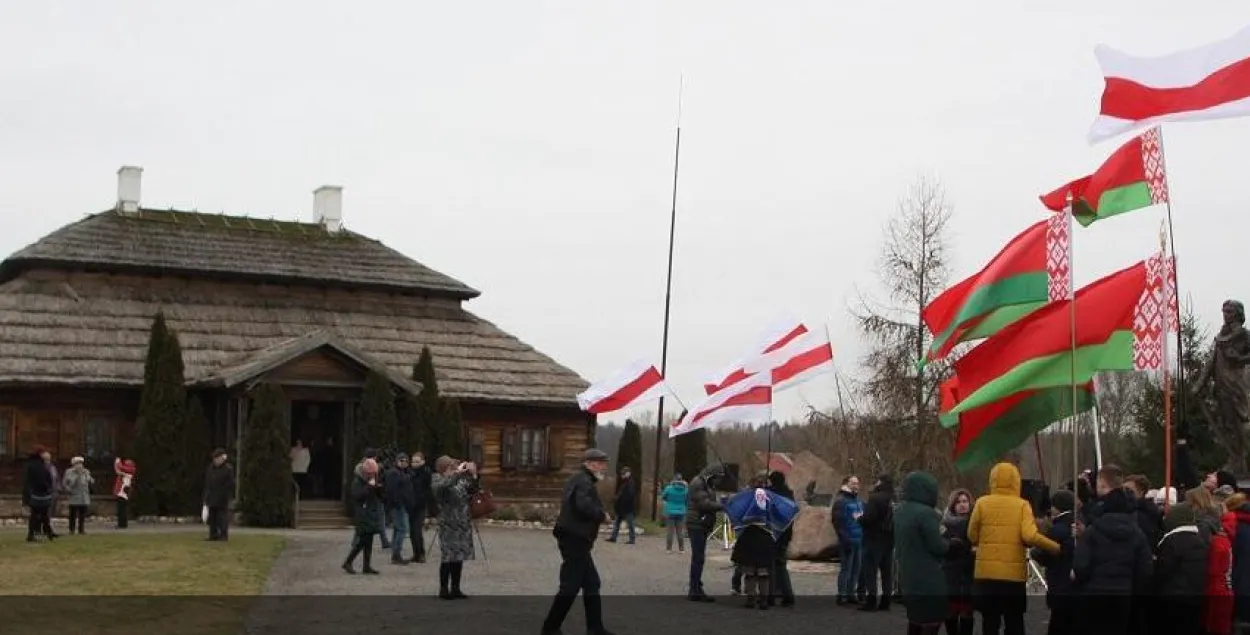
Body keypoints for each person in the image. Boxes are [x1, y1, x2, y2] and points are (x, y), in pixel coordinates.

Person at [967, 462, 1059, 635]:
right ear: (1016, 481)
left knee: (990, 622)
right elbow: (1029, 536)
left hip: (986, 574)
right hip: (1012, 576)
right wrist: (1055, 547)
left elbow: (972, 535)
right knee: (1014, 620)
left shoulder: (981, 503)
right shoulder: (1022, 505)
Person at [1072, 464, 1154, 635]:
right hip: (1123, 594)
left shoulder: (1093, 531)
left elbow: (1081, 566)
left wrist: (1080, 581)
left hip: (1095, 592)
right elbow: (1145, 569)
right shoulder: (1137, 532)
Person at [541, 448, 615, 635]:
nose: (604, 467)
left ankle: (595, 628)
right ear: (589, 463)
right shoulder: (583, 481)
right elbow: (582, 505)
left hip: (576, 538)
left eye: (604, 463)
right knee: (570, 585)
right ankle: (550, 628)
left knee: (591, 583)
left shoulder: (580, 479)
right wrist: (601, 515)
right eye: (600, 463)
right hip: (575, 538)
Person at [894, 471, 957, 635]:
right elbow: (937, 546)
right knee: (931, 622)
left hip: (908, 575)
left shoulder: (900, 511)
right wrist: (952, 545)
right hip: (928, 577)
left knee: (915, 621)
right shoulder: (926, 513)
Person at [1153, 502, 1209, 635]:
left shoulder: (1173, 541)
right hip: (1195, 596)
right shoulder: (1199, 540)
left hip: (1174, 598)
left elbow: (1163, 570)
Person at [432, 455, 478, 599]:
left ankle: (456, 588)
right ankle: (443, 588)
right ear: (442, 468)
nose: (452, 470)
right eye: (450, 467)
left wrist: (473, 474)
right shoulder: (437, 480)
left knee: (459, 557)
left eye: (453, 467)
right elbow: (444, 486)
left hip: (462, 524)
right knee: (448, 557)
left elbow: (471, 489)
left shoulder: (458, 480)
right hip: (448, 525)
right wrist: (457, 474)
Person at [1031, 490, 1076, 635]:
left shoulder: (1056, 530)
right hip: (1074, 584)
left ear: (1057, 507)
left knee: (1058, 624)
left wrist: (1035, 552)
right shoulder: (1076, 526)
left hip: (1059, 582)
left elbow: (1045, 555)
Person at [731, 472, 777, 610]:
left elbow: (737, 512)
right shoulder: (771, 498)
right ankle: (763, 600)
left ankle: (750, 598)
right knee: (763, 573)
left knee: (750, 572)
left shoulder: (746, 498)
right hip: (765, 537)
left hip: (749, 537)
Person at [685, 462, 727, 602]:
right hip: (697, 523)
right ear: (712, 475)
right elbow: (704, 504)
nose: (719, 482)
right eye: (718, 478)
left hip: (700, 522)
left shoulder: (705, 484)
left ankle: (696, 587)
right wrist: (723, 506)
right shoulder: (698, 483)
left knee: (699, 558)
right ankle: (694, 589)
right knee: (698, 558)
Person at [859, 473, 896, 612]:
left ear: (880, 482)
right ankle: (886, 600)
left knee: (871, 570)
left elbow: (869, 518)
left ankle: (871, 600)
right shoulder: (895, 498)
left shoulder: (875, 498)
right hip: (890, 539)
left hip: (874, 538)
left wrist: (859, 519)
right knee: (887, 571)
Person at [942, 489, 976, 635]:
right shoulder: (945, 525)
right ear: (953, 505)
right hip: (950, 573)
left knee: (967, 612)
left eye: (965, 501)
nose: (962, 505)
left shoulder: (975, 524)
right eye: (958, 502)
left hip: (969, 573)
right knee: (951, 612)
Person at [342, 457, 384, 575]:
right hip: (362, 513)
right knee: (363, 540)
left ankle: (366, 565)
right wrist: (369, 487)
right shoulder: (357, 480)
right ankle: (348, 562)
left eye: (374, 473)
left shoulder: (372, 477)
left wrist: (378, 488)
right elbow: (357, 496)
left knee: (368, 540)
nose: (372, 475)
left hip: (371, 511)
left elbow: (378, 496)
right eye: (370, 473)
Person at [832, 474, 865, 606]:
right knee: (846, 569)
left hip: (859, 539)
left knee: (856, 569)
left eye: (857, 483)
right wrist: (844, 539)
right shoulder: (841, 501)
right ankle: (842, 595)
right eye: (853, 483)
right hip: (848, 539)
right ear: (846, 484)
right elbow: (837, 522)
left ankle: (851, 593)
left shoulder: (858, 500)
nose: (856, 485)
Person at [767, 470, 796, 607]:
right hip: (786, 533)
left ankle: (770, 595)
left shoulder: (770, 494)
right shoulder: (789, 495)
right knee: (781, 566)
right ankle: (788, 595)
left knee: (770, 565)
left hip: (773, 533)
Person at [384, 453, 416, 565]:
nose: (404, 463)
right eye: (402, 461)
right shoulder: (394, 473)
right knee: (402, 529)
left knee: (398, 529)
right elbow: (392, 491)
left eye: (406, 461)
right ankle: (396, 554)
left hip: (401, 504)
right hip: (398, 505)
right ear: (397, 461)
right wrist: (397, 503)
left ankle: (395, 553)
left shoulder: (402, 473)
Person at [22, 446, 55, 542]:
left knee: (35, 515)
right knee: (42, 515)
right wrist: (47, 488)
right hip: (40, 494)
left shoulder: (30, 464)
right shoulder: (39, 465)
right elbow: (44, 480)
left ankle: (35, 534)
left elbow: (27, 481)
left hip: (34, 493)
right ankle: (46, 533)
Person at [203, 448, 235, 541]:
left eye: (217, 458)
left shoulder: (228, 469)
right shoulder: (210, 468)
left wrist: (225, 494)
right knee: (212, 518)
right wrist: (206, 497)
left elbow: (230, 484)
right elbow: (208, 484)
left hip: (222, 498)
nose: (216, 461)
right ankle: (213, 534)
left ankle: (223, 535)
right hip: (211, 496)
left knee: (222, 517)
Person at [1125, 474, 1164, 547]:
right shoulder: (1127, 509)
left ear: (1141, 492)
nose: (1125, 493)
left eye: (1129, 490)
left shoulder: (1146, 513)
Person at [408, 451, 433, 563]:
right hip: (411, 505)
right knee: (412, 532)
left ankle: (421, 553)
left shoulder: (426, 473)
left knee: (417, 530)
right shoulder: (409, 473)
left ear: (422, 462)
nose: (415, 463)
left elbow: (429, 491)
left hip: (421, 505)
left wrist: (429, 511)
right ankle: (416, 553)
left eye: (417, 461)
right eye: (413, 461)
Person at [62, 456, 93, 535]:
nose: (80, 465)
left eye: (81, 463)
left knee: (82, 515)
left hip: (83, 496)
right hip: (74, 496)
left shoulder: (86, 471)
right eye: (77, 463)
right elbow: (65, 484)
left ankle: (81, 529)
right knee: (72, 514)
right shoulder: (69, 472)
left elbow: (91, 481)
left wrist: (88, 478)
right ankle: (71, 530)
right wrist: (69, 489)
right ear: (74, 464)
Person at [607, 466, 637, 544]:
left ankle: (631, 539)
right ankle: (614, 537)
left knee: (629, 524)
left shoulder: (630, 483)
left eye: (624, 473)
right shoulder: (626, 482)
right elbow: (622, 494)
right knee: (618, 523)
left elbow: (629, 495)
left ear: (628, 473)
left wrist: (618, 499)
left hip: (627, 507)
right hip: (623, 507)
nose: (622, 475)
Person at [660, 473, 688, 553]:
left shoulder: (669, 488)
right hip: (681, 512)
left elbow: (663, 497)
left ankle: (669, 549)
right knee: (680, 531)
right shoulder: (685, 490)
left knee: (670, 531)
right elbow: (687, 500)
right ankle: (681, 549)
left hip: (670, 511)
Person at [113, 457, 135, 529]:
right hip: (123, 492)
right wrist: (117, 463)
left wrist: (117, 462)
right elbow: (118, 469)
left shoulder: (128, 472)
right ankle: (122, 524)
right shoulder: (128, 472)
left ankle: (122, 524)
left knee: (121, 510)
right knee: (122, 509)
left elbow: (118, 469)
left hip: (123, 493)